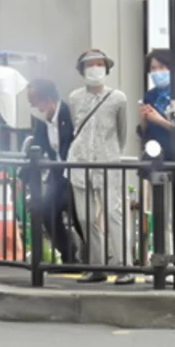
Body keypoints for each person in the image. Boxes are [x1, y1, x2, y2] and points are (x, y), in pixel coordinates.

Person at [66, 49, 133, 285]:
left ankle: (125, 266)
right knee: (85, 218)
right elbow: (76, 127)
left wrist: (113, 153)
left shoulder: (118, 98)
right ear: (82, 71)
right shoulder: (74, 98)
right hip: (80, 163)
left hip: (109, 163)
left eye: (99, 64)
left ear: (106, 68)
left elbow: (122, 132)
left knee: (114, 214)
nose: (95, 69)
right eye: (89, 65)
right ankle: (96, 266)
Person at [139, 49, 175, 263]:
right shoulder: (150, 95)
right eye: (154, 68)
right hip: (158, 159)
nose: (158, 72)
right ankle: (162, 260)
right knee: (160, 213)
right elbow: (147, 133)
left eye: (162, 67)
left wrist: (159, 120)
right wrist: (145, 123)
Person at [25, 78, 81, 263]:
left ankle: (95, 258)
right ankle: (68, 255)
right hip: (57, 176)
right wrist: (21, 179)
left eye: (37, 104)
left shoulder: (69, 114)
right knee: (47, 212)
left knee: (80, 216)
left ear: (48, 99)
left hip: (74, 174)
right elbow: (37, 149)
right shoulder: (42, 123)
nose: (35, 110)